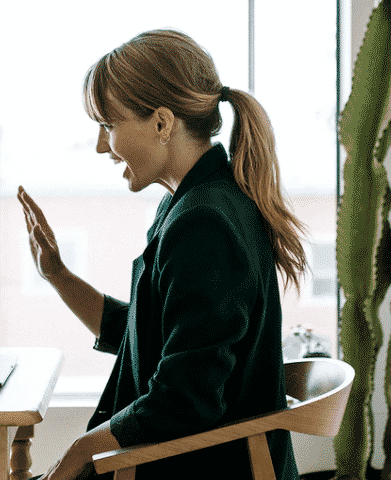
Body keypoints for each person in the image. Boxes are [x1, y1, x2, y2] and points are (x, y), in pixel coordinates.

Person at [18, 29, 307, 480]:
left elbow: (184, 398)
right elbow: (144, 334)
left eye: (109, 126)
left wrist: (79, 452)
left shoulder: (204, 223)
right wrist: (58, 275)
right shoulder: (195, 203)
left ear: (161, 123)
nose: (101, 146)